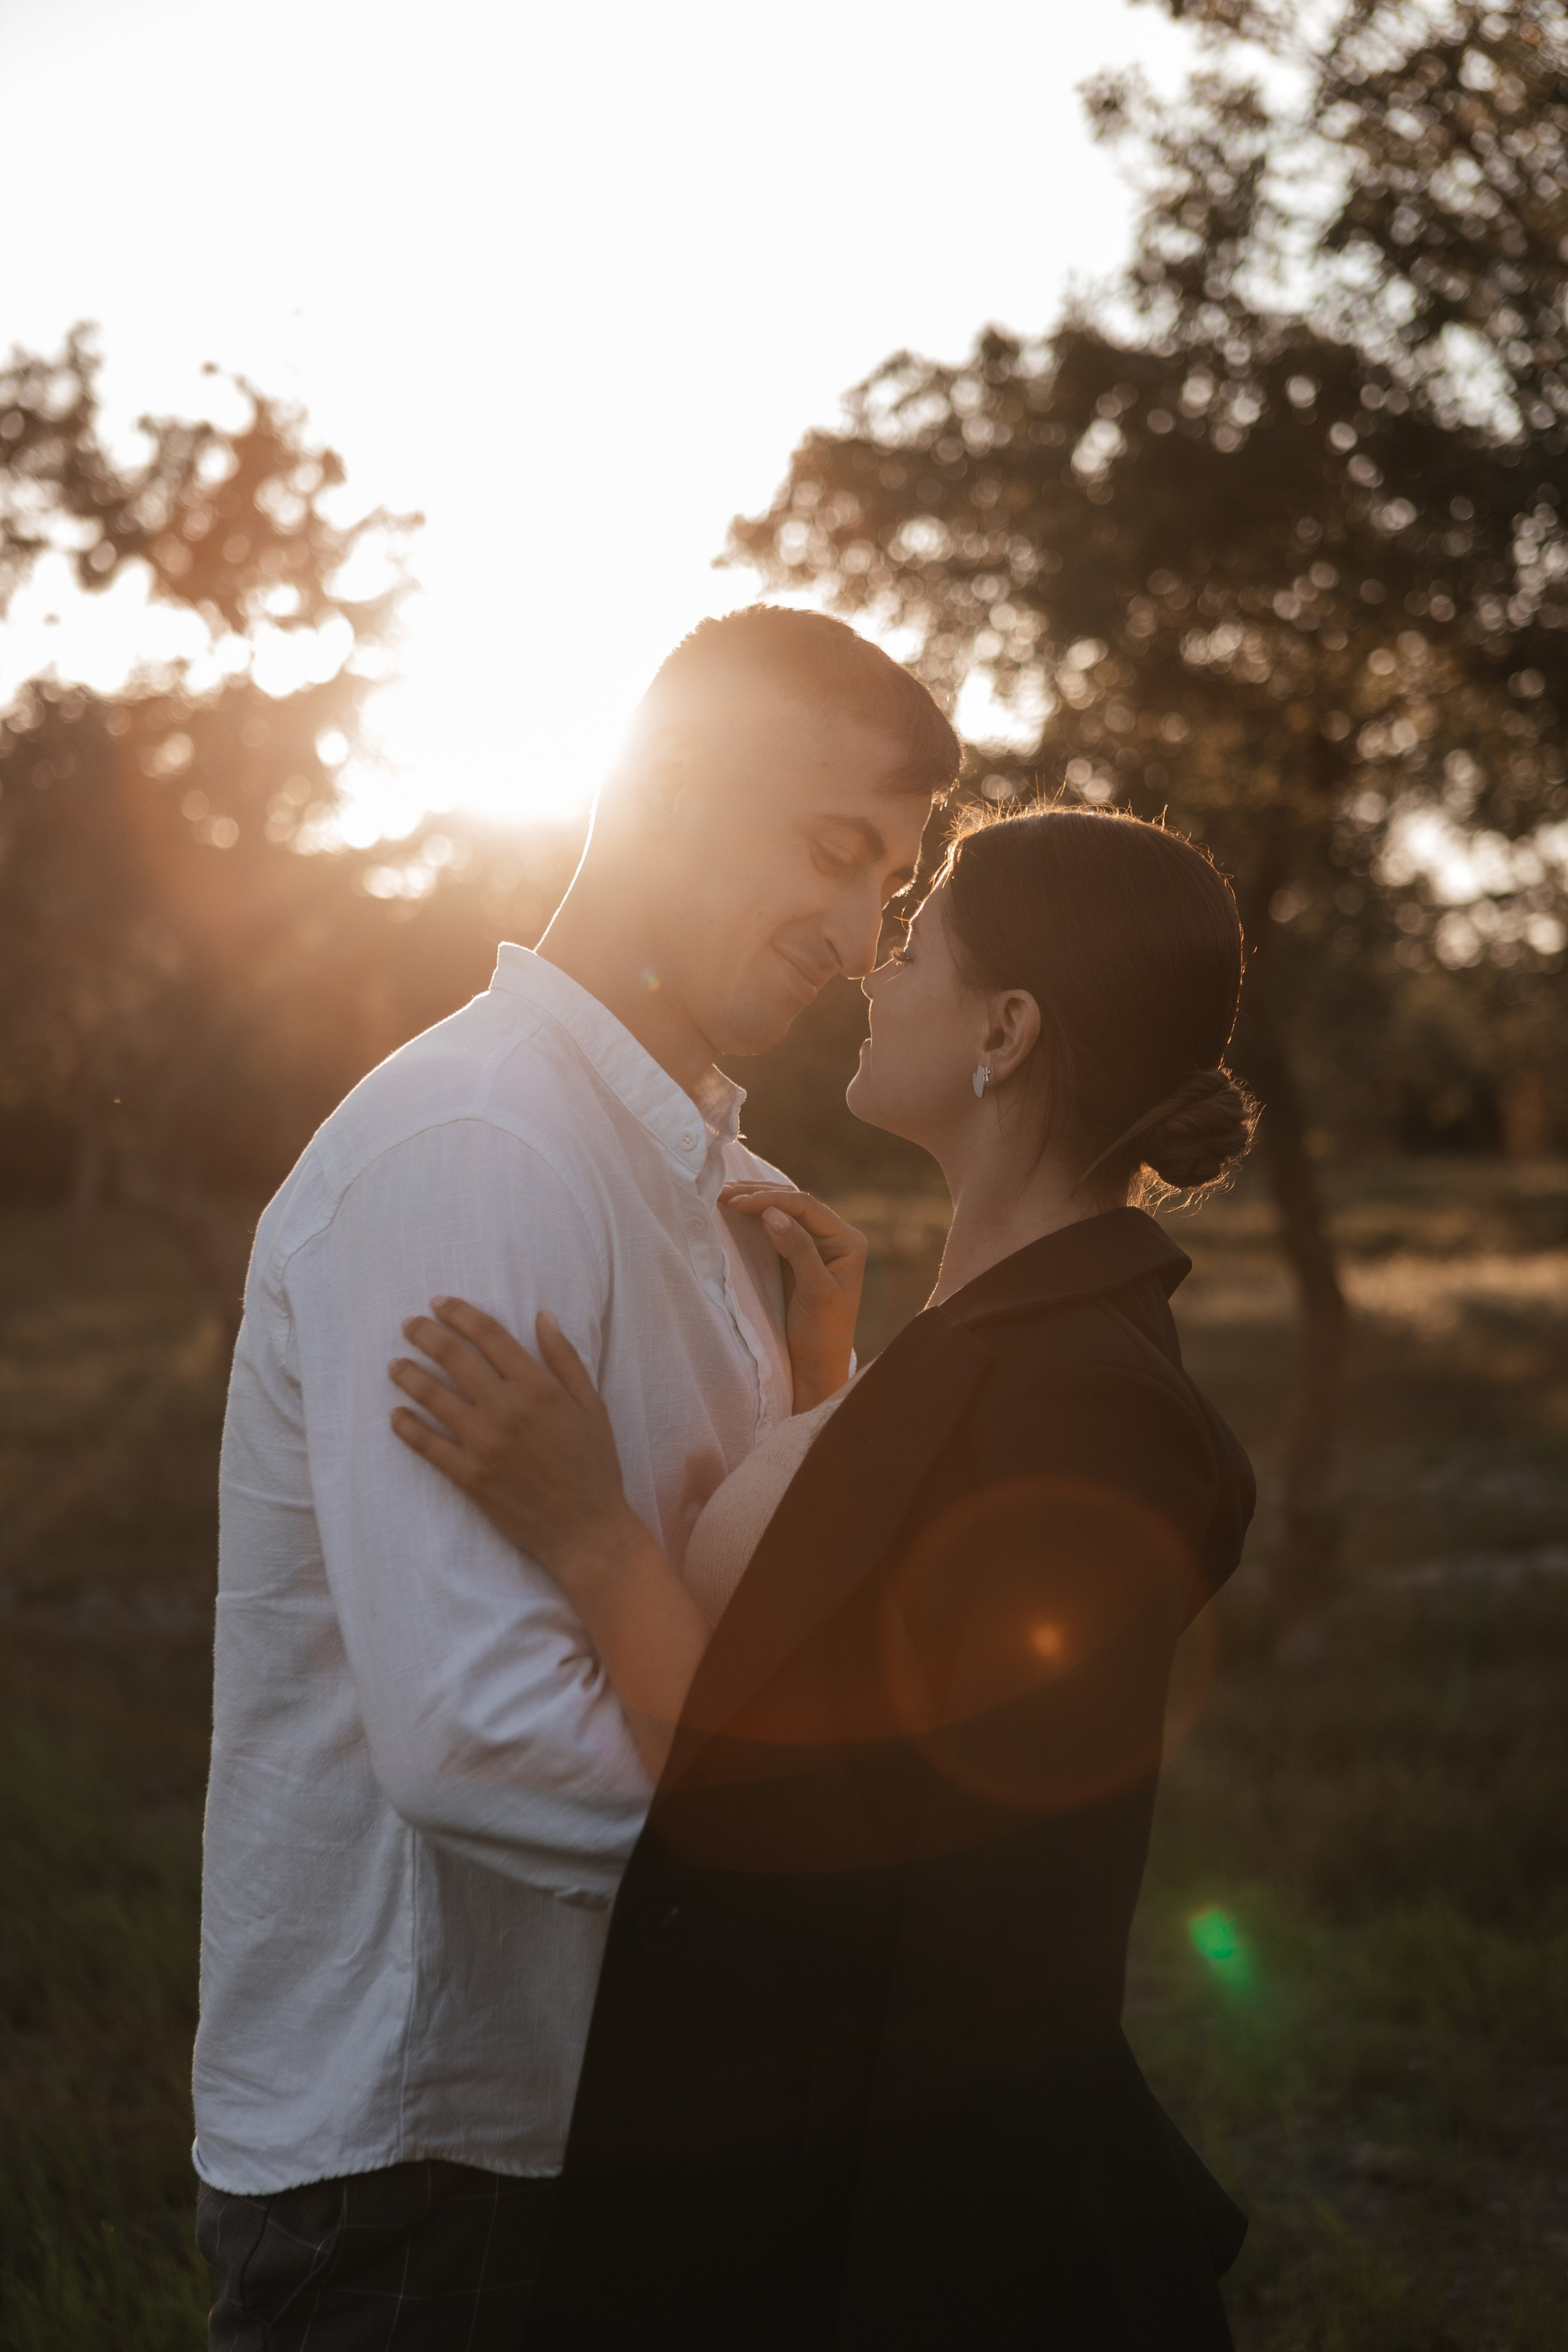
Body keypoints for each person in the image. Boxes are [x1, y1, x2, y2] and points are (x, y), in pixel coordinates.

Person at [389, 802, 1259, 2351]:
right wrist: (828, 1389)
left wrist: (592, 1537)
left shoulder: (1090, 1407)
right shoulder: (990, 1340)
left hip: (855, 2233)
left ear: (1004, 1030)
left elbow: (903, 1886)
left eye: (914, 943)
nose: (871, 963)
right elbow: (862, 1658)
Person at [192, 606, 956, 2350]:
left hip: (606, 2109)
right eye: (835, 854)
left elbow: (723, 1611)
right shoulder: (480, 1142)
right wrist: (855, 1892)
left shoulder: (709, 1177)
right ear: (671, 783)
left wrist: (819, 1388)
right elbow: (476, 1727)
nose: (855, 937)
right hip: (433, 2152)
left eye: (892, 896)